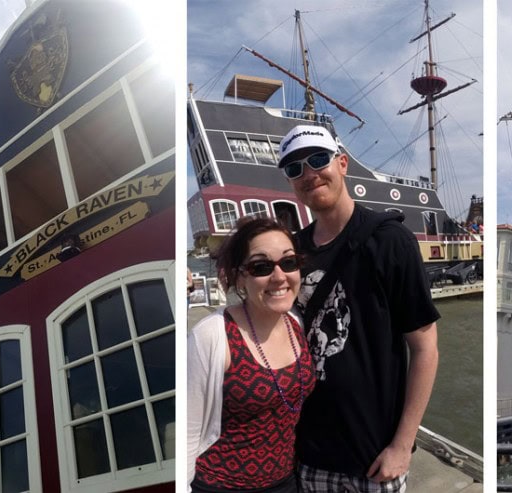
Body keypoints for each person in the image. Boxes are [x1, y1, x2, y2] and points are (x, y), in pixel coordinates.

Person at [276, 124, 440, 492]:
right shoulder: (292, 254)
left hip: (374, 460)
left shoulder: (390, 241)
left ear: (343, 163)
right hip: (306, 456)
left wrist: (402, 446)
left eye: (318, 159)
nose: (309, 174)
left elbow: (425, 348)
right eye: (294, 168)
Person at [187, 217, 316, 493]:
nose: (280, 277)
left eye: (289, 262)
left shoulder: (296, 322)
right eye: (261, 267)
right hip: (223, 486)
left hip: (286, 481)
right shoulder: (213, 334)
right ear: (240, 276)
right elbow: (187, 432)